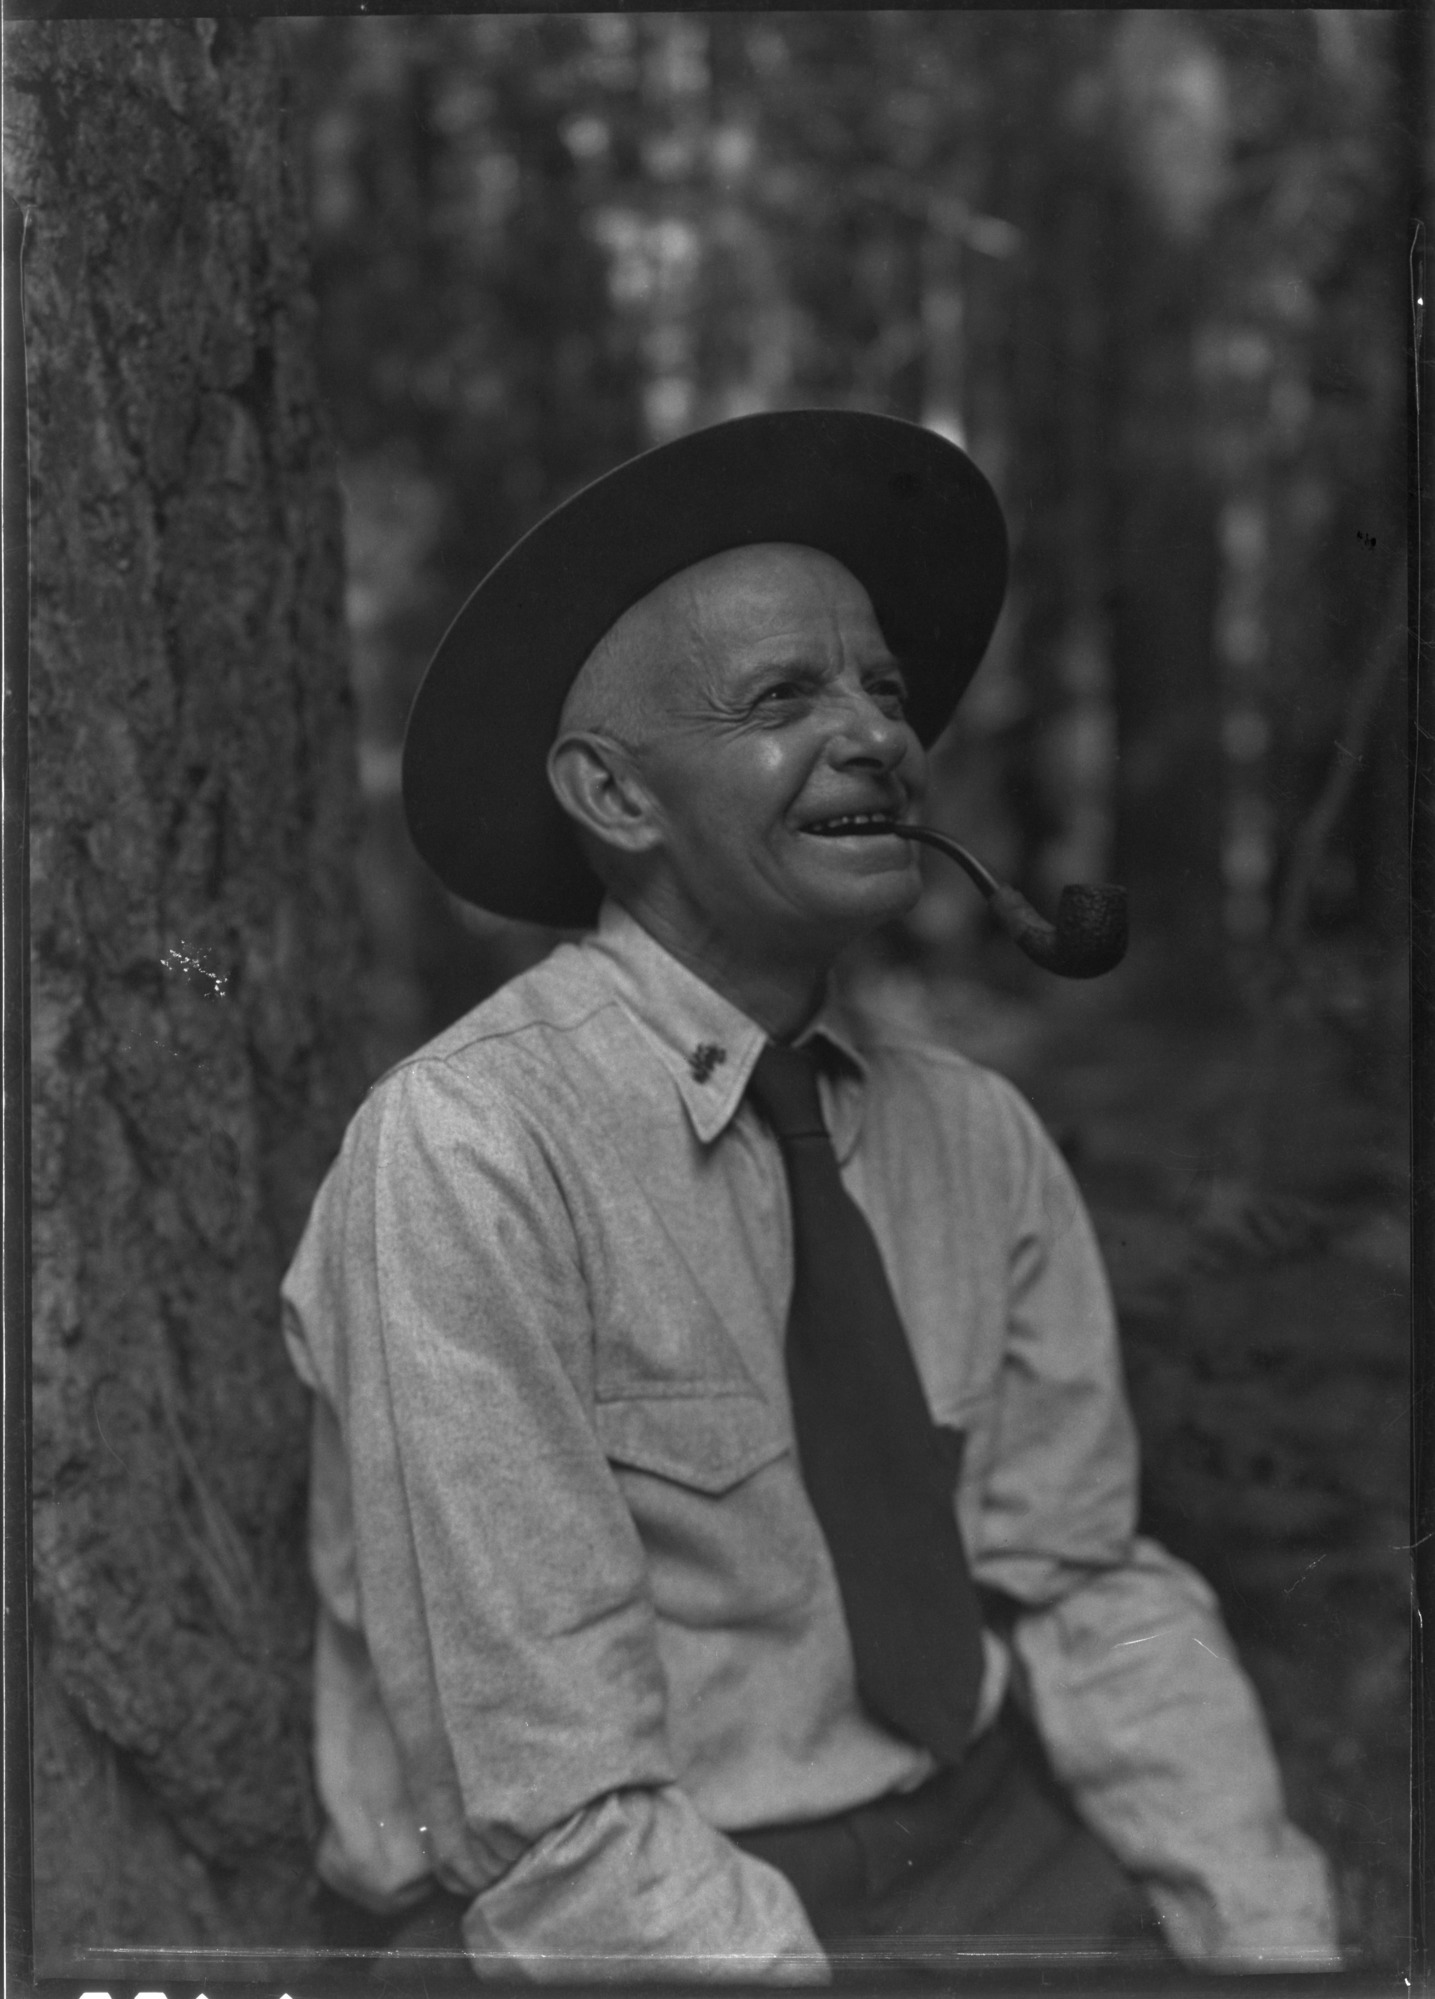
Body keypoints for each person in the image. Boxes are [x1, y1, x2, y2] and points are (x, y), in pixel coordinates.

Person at [281, 411, 1339, 1984]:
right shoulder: (470, 1151)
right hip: (627, 1918)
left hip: (985, 1851)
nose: (879, 738)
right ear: (615, 795)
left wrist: (1271, 1941)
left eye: (886, 692)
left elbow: (1083, 1584)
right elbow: (552, 1822)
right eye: (784, 697)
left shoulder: (975, 1136)